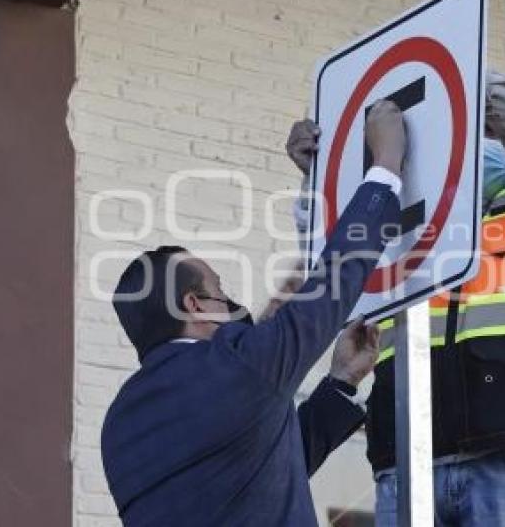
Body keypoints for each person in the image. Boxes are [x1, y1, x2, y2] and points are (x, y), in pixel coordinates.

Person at [289, 72, 505, 526]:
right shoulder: (405, 225)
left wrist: (453, 75)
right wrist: (322, 169)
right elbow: (332, 254)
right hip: (403, 455)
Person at [101, 100, 406, 527]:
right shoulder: (230, 362)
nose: (230, 299)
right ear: (193, 306)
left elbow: (262, 470)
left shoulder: (119, 425)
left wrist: (340, 385)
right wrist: (386, 169)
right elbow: (333, 281)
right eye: (218, 289)